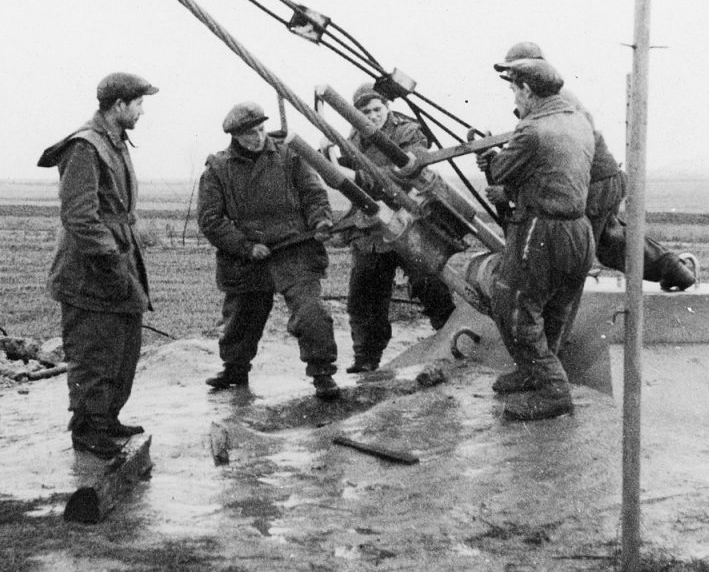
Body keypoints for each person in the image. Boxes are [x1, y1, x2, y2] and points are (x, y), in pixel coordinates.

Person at [496, 42, 698, 291]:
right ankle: (674, 269)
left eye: (515, 73)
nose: (511, 81)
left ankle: (558, 309)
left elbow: (548, 146)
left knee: (571, 255)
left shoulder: (550, 100)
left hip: (592, 180)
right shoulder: (557, 97)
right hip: (601, 177)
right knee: (609, 242)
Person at [37, 72, 158, 459]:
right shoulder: (86, 147)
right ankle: (87, 428)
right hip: (90, 270)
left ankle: (106, 417)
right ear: (118, 105)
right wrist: (110, 260)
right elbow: (79, 216)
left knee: (122, 346)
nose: (142, 109)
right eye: (138, 102)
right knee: (94, 350)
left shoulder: (114, 142)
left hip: (117, 259)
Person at [476, 57, 595, 421]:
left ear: (527, 90)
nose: (515, 97)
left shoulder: (532, 131)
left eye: (515, 89)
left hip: (542, 230)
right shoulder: (579, 122)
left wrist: (489, 158)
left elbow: (498, 173)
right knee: (555, 308)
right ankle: (534, 373)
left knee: (512, 306)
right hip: (579, 230)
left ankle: (553, 391)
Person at [198, 102, 341, 400]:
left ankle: (322, 373)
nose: (259, 137)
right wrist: (246, 247)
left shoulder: (290, 156)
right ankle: (235, 369)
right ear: (235, 136)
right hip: (250, 255)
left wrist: (321, 219)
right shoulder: (219, 169)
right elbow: (210, 219)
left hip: (294, 247)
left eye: (261, 129)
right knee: (241, 318)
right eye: (250, 133)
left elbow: (313, 193)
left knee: (311, 311)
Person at [342, 84, 456, 373]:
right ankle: (366, 357)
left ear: (387, 108)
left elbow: (407, 171)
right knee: (365, 292)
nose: (372, 116)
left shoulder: (407, 131)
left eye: (377, 109)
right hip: (373, 225)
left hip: (411, 219)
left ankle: (453, 341)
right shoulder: (352, 139)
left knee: (430, 284)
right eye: (364, 112)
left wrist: (358, 174)